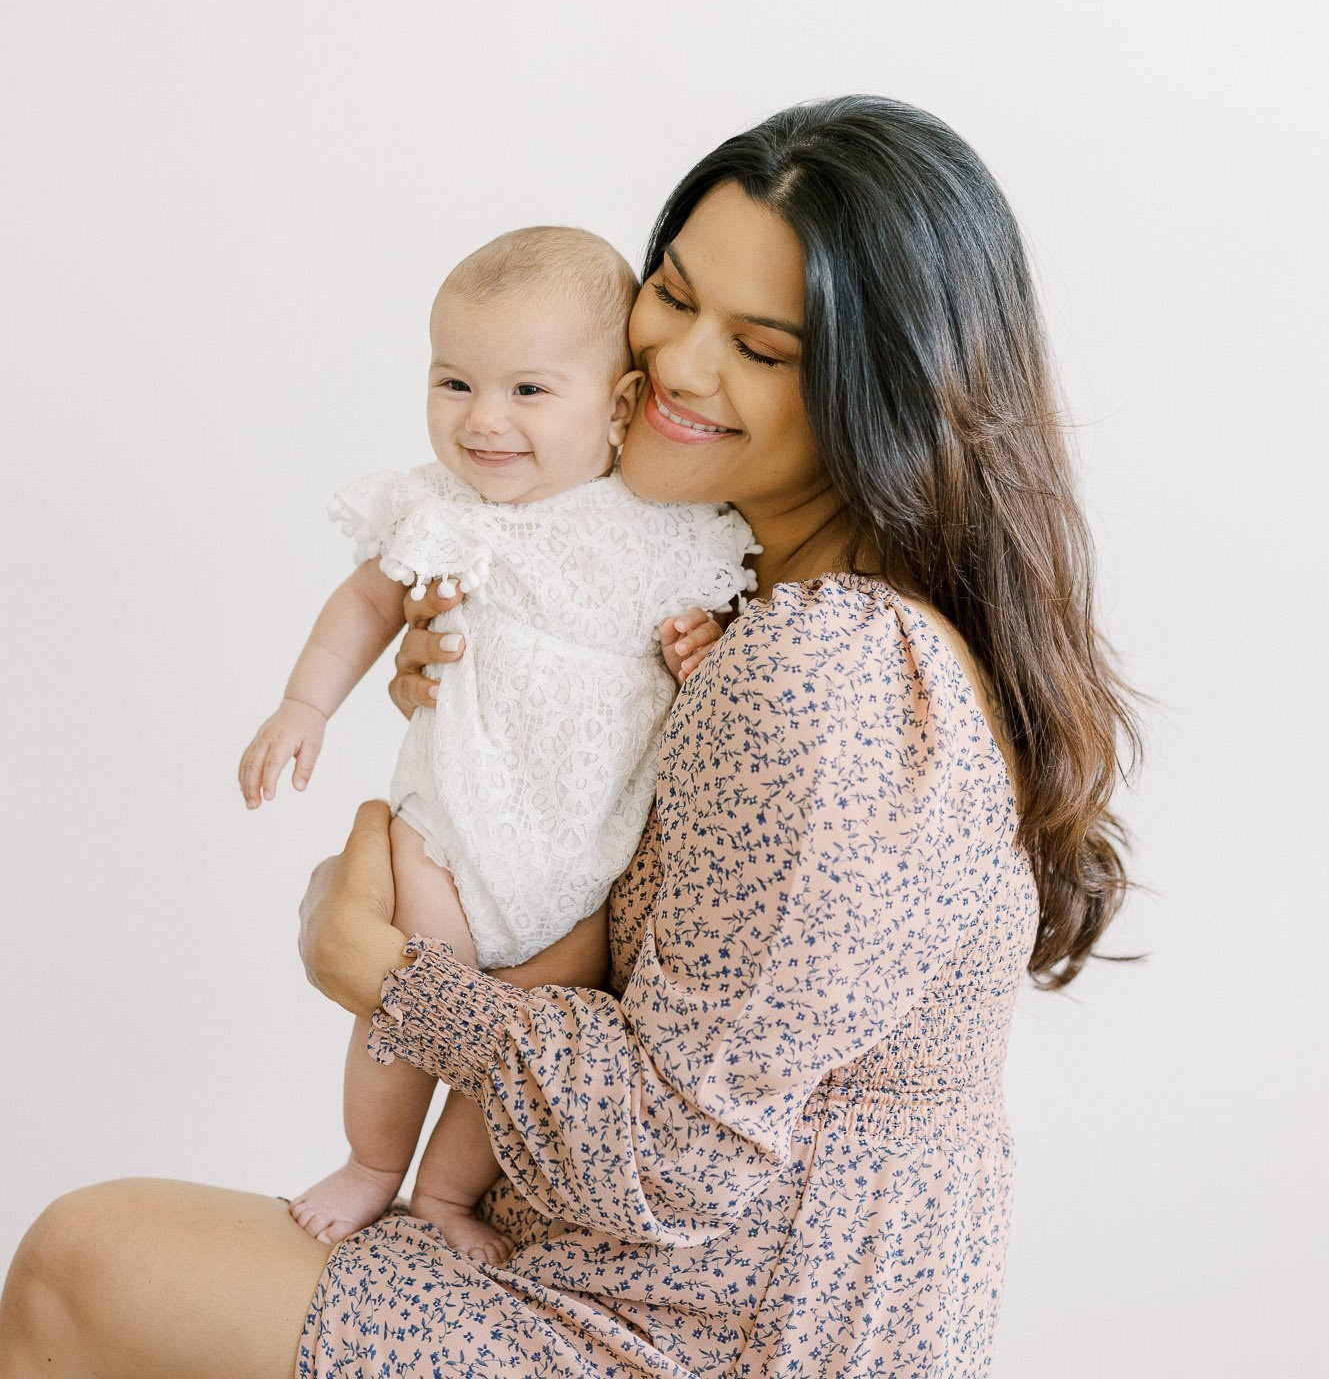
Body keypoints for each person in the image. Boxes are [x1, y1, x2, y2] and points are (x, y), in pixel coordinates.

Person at [0, 96, 1141, 1377]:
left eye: (761, 348)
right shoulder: (736, 609)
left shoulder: (825, 668)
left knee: (80, 1265)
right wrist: (485, 724)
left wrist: (378, 970)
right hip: (614, 1265)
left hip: (694, 1334)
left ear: (879, 395)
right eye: (674, 294)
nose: (681, 366)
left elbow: (680, 1153)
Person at [237, 224, 756, 1260]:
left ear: (618, 405)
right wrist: (304, 706)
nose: (482, 419)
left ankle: (444, 1196)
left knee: (530, 1031)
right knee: (408, 989)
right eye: (454, 383)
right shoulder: (445, 512)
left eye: (527, 391)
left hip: (582, 863)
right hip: (449, 826)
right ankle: (374, 1164)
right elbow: (364, 604)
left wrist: (706, 644)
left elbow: (718, 633)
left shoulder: (669, 528)